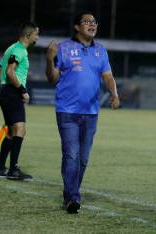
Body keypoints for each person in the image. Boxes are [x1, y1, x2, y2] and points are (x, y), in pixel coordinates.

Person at [45, 11, 119, 213]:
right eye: (87, 21)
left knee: (83, 159)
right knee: (71, 155)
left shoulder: (101, 51)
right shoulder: (64, 48)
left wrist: (114, 92)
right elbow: (53, 79)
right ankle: (71, 198)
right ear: (77, 27)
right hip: (67, 112)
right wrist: (50, 60)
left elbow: (108, 76)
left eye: (94, 21)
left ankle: (71, 192)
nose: (92, 24)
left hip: (91, 113)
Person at [0, 21, 39, 180]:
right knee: (20, 129)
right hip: (12, 92)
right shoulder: (20, 50)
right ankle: (13, 170)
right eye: (36, 34)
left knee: (12, 131)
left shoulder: (10, 48)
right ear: (28, 35)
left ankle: (1, 168)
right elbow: (9, 71)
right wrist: (21, 90)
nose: (37, 37)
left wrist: (5, 87)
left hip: (5, 91)